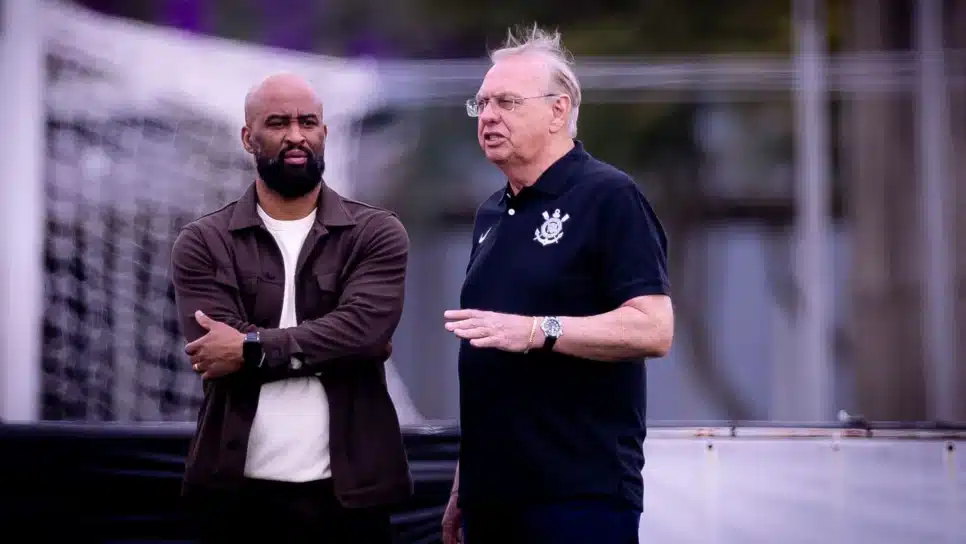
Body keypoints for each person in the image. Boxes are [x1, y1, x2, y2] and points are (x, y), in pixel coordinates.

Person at [441, 26, 674, 544]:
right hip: (491, 499)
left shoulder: (609, 196)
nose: (488, 116)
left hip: (578, 496)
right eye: (481, 103)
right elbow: (488, 363)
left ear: (557, 111)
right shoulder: (491, 213)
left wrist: (537, 331)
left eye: (506, 102)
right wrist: (464, 483)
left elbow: (653, 329)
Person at [170, 72, 412, 543]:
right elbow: (213, 347)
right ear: (248, 138)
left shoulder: (376, 233)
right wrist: (333, 345)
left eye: (308, 122)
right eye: (278, 123)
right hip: (236, 496)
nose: (296, 135)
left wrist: (250, 349)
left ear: (325, 132)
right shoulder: (203, 242)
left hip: (351, 498)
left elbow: (364, 331)